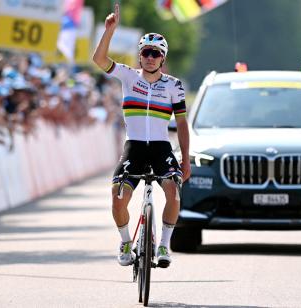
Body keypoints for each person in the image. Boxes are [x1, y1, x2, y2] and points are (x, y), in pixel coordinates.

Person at [92, 3, 191, 268]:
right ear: (139, 56)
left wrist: (186, 159)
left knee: (174, 193)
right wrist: (109, 31)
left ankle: (164, 245)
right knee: (117, 197)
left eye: (155, 54)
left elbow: (182, 123)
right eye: (146, 52)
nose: (150, 57)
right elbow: (99, 61)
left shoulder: (174, 86)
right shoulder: (127, 76)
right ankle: (125, 240)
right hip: (134, 148)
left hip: (161, 149)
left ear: (163, 58)